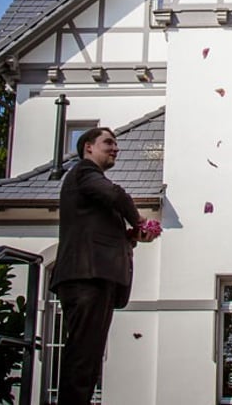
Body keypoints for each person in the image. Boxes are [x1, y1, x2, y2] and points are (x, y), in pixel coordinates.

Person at [49, 127, 156, 405]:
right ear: (88, 147)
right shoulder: (85, 172)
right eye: (108, 143)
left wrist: (131, 237)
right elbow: (116, 195)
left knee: (89, 354)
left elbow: (99, 230)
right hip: (86, 276)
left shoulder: (90, 184)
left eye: (116, 144)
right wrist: (139, 221)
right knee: (83, 355)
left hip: (93, 276)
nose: (115, 148)